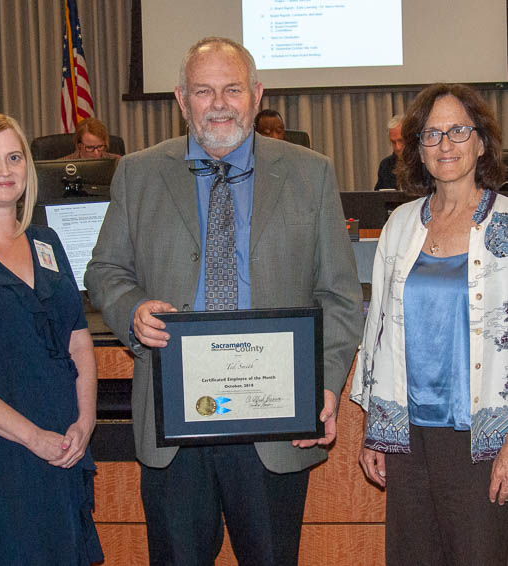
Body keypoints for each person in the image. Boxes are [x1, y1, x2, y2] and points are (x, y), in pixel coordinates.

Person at [85, 36, 362, 565]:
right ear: (181, 99)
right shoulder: (138, 173)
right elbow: (106, 270)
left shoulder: (310, 172)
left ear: (256, 95)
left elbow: (340, 297)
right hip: (173, 425)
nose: (218, 103)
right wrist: (132, 310)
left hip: (275, 424)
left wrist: (323, 385)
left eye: (232, 89)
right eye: (203, 90)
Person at [351, 83, 508, 565]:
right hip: (409, 437)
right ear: (417, 149)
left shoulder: (506, 224)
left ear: (481, 142)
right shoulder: (400, 223)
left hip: (483, 440)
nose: (445, 145)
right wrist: (377, 429)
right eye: (432, 134)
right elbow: (378, 331)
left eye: (458, 131)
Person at [0, 112, 103, 565]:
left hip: (62, 444)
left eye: (14, 157)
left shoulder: (46, 242)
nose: (5, 170)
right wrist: (34, 438)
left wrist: (85, 422)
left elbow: (78, 340)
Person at [374, 114, 404, 190]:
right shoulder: (386, 165)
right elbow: (378, 197)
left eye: (401, 141)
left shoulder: (423, 163)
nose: (397, 147)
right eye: (393, 142)